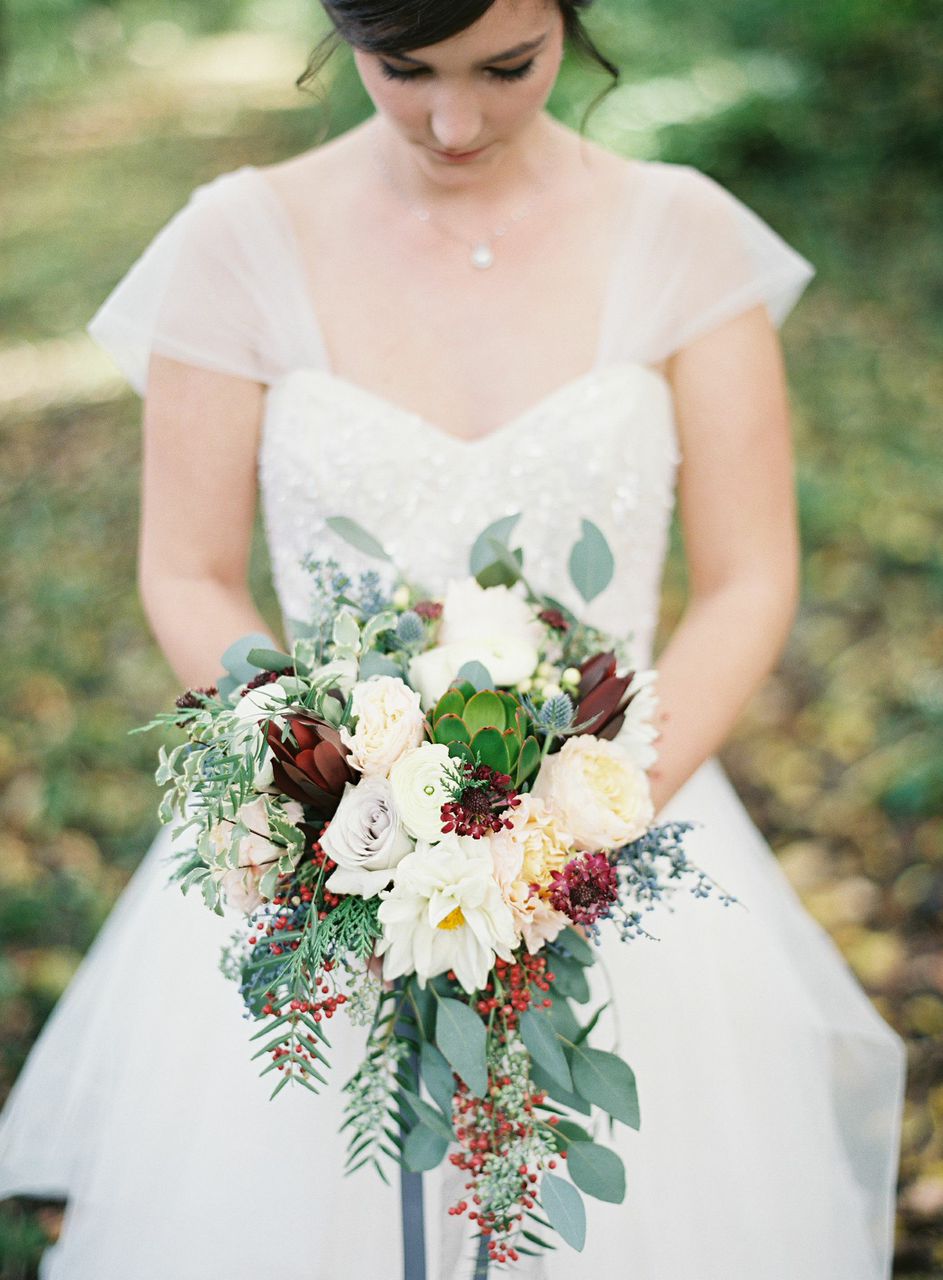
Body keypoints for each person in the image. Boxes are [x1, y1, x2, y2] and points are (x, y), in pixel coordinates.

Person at [0, 1, 907, 1276]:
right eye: (402, 68)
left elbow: (750, 576)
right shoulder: (235, 242)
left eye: (506, 67)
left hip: (623, 831)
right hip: (330, 845)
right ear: (343, 32)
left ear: (569, 23)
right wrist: (333, 788)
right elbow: (187, 568)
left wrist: (575, 833)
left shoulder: (683, 238)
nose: (451, 118)